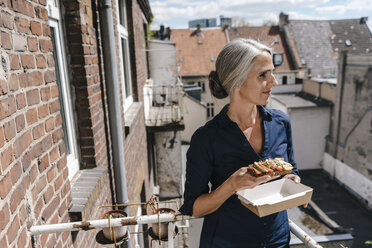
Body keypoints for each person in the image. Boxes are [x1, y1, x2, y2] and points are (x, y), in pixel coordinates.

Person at [179, 39, 301, 248]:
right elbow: (194, 207)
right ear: (237, 79)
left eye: (272, 72)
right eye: (263, 75)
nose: (274, 82)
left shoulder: (281, 122)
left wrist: (293, 181)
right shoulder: (206, 138)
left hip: (277, 240)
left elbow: (293, 170)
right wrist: (231, 186)